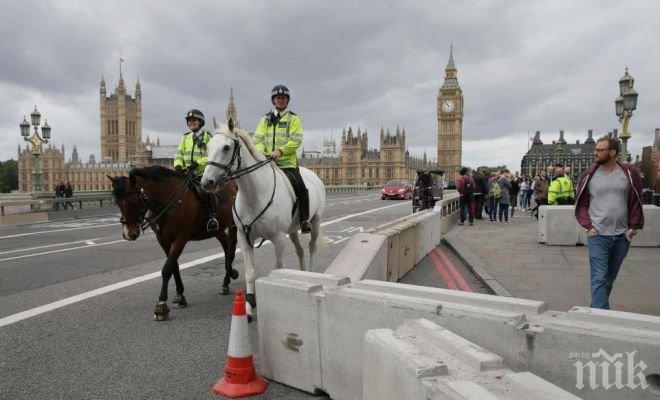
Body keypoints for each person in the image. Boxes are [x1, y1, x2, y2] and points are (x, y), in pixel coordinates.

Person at [575, 137, 644, 310]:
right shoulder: (588, 175)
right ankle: (601, 319)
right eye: (596, 150)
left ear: (612, 152)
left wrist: (633, 228)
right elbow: (581, 204)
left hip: (622, 235)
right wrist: (588, 226)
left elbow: (636, 200)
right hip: (597, 235)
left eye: (600, 150)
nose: (595, 152)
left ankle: (596, 308)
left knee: (608, 279)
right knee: (599, 277)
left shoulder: (629, 173)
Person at [254, 84, 311, 233]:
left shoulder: (293, 118)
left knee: (301, 188)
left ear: (287, 101)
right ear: (273, 100)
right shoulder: (265, 119)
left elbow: (296, 140)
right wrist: (262, 153)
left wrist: (280, 151)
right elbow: (258, 139)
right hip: (266, 164)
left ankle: (304, 220)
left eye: (283, 98)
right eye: (278, 98)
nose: (280, 100)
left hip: (287, 164)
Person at [173, 109, 219, 231]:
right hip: (186, 174)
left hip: (202, 174)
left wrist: (197, 164)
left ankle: (212, 217)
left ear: (200, 122)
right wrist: (178, 165)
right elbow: (178, 154)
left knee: (206, 192)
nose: (191, 123)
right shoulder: (185, 138)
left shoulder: (207, 137)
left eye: (194, 120)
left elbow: (211, 156)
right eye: (189, 121)